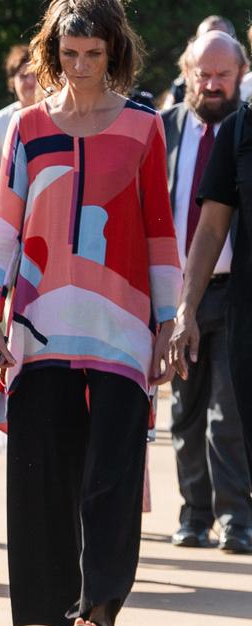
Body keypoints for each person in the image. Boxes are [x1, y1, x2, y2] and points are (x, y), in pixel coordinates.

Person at [0, 0, 181, 626]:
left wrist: (170, 323)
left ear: (114, 51)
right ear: (52, 54)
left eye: (94, 54)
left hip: (122, 327)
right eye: (70, 54)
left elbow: (160, 231)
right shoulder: (27, 129)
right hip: (40, 327)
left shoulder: (146, 129)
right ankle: (61, 607)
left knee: (112, 472)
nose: (82, 67)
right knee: (43, 471)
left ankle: (100, 609)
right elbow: (4, 226)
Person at [161, 31, 252, 553]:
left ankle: (236, 518)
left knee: (228, 411)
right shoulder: (164, 128)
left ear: (241, 74)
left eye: (223, 75)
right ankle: (193, 514)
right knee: (185, 409)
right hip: (178, 289)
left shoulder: (241, 133)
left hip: (236, 290)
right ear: (188, 71)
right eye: (204, 74)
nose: (212, 84)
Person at [0, 45, 39, 221]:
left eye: (35, 74)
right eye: (23, 76)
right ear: (12, 81)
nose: (30, 82)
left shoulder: (61, 117)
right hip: (11, 219)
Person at [162, 15, 238, 109]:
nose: (213, 46)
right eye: (207, 40)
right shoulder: (183, 86)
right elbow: (168, 118)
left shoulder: (246, 84)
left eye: (220, 39)